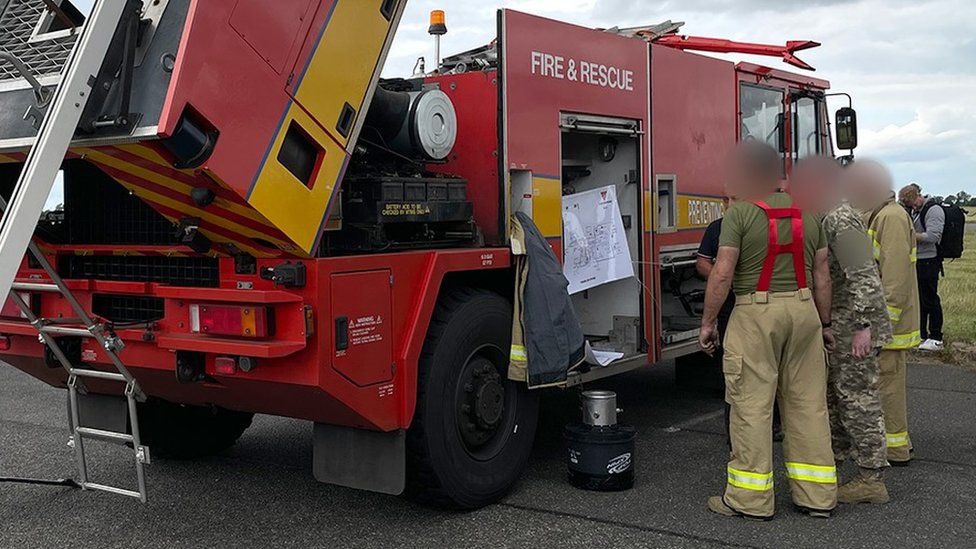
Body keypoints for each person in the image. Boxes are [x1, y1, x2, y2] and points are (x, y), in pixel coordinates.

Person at [700, 142, 837, 520]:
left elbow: (723, 272)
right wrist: (824, 324)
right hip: (804, 309)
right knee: (809, 406)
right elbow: (822, 276)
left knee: (751, 407)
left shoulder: (739, 215)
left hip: (755, 314)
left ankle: (749, 500)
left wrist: (709, 322)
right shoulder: (810, 218)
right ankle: (818, 497)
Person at [793, 157, 892, 504]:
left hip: (856, 323)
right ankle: (836, 459)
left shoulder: (839, 217)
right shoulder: (826, 216)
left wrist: (864, 326)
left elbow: (863, 273)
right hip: (842, 320)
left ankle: (871, 478)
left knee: (858, 398)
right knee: (837, 396)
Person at [848, 161, 920, 466]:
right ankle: (892, 445)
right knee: (882, 386)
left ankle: (896, 449)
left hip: (889, 326)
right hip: (885, 324)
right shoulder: (878, 214)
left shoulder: (890, 218)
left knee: (888, 388)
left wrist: (880, 327)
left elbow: (894, 278)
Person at [697, 197, 784, 446]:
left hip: (761, 304)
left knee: (769, 366)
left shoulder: (768, 226)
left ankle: (774, 423)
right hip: (730, 307)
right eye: (730, 198)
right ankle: (734, 432)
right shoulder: (718, 228)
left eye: (738, 197)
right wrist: (720, 277)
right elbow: (703, 263)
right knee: (734, 370)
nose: (733, 202)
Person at [898, 183, 944, 352]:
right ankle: (922, 334)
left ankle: (936, 336)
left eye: (910, 203)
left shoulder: (933, 210)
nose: (910, 207)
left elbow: (933, 236)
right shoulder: (917, 211)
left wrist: (908, 235)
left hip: (929, 260)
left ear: (916, 197)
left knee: (930, 299)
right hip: (919, 260)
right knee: (920, 299)